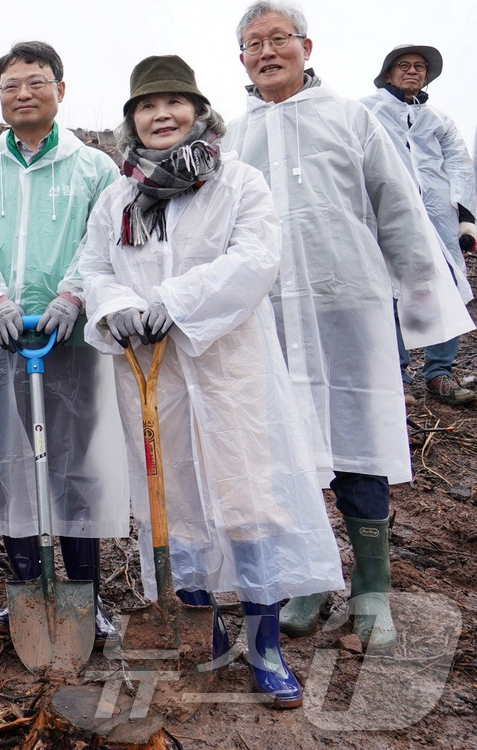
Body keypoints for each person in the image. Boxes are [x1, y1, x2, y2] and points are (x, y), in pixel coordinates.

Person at [82, 55, 343, 707]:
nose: (160, 114)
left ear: (199, 111)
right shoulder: (118, 196)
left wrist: (174, 300)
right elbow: (93, 267)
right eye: (146, 106)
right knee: (177, 510)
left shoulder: (238, 183)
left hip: (231, 373)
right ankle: (208, 631)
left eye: (173, 102)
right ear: (132, 121)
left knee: (249, 503)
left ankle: (265, 646)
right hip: (152, 375)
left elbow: (256, 257)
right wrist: (118, 309)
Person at [223, 0, 471, 652]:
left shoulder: (351, 118)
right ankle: (309, 580)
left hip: (349, 309)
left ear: (308, 46)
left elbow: (396, 206)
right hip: (271, 320)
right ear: (241, 59)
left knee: (359, 446)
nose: (267, 50)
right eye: (254, 43)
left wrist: (419, 293)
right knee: (290, 452)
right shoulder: (235, 138)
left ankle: (371, 590)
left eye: (280, 38)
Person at [0, 41, 126, 648]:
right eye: (10, 86)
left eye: (36, 82)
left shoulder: (95, 169)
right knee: (9, 465)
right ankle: (24, 588)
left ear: (60, 89)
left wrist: (73, 296)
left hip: (69, 342)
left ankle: (84, 593)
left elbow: (101, 245)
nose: (23, 93)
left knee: (74, 466)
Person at [361, 45, 476, 404]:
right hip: (391, 211)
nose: (413, 72)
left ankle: (439, 373)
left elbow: (459, 164)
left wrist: (466, 221)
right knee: (393, 286)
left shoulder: (438, 119)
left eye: (420, 67)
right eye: (405, 66)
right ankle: (395, 373)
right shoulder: (366, 110)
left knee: (449, 285)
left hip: (439, 215)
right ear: (389, 73)